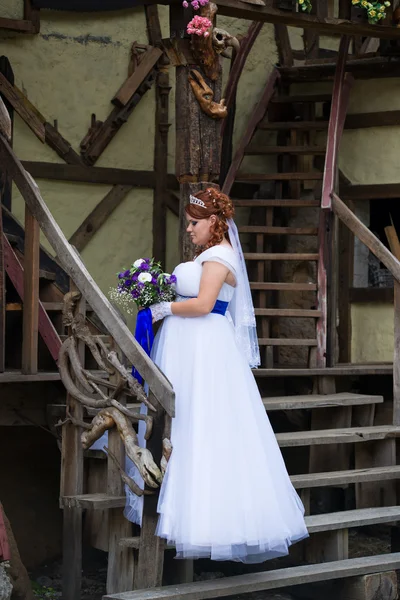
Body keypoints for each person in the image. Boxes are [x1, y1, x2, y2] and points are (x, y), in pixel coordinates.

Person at [126, 187, 308, 563]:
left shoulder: (220, 255)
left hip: (203, 347)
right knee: (184, 420)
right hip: (187, 345)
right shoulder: (209, 253)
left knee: (201, 422)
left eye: (195, 222)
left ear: (214, 222)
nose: (189, 229)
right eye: (189, 222)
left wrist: (163, 308)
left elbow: (206, 304)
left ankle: (204, 519)